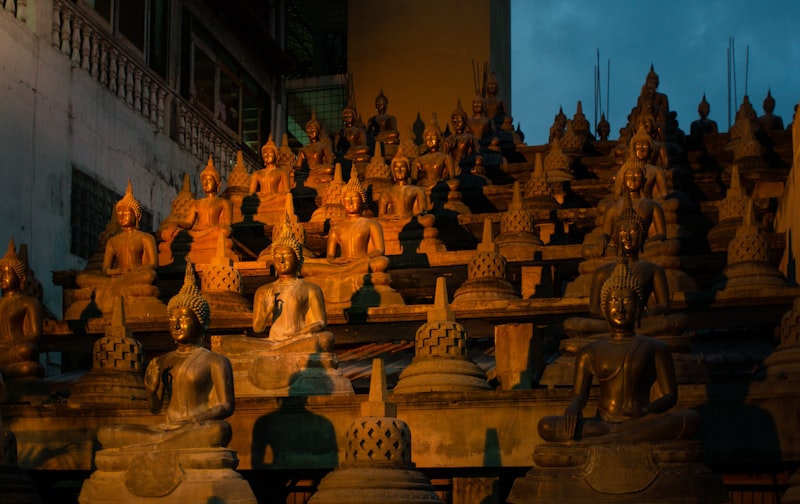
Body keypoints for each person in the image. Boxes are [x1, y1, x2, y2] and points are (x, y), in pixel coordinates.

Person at [538, 262, 699, 443]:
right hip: (603, 422)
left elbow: (670, 395)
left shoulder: (656, 347)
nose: (620, 308)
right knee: (546, 426)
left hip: (640, 420)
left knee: (690, 418)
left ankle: (613, 439)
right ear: (604, 308)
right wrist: (574, 407)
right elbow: (579, 395)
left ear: (639, 308)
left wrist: (646, 411)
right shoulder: (589, 351)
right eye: (614, 301)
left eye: (627, 301)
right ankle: (621, 436)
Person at [97, 262, 234, 450]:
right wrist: (151, 391)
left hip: (196, 427)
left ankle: (159, 445)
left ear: (202, 322)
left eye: (183, 319)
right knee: (107, 432)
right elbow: (155, 408)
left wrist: (194, 420)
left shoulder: (215, 360)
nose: (176, 325)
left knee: (220, 430)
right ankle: (164, 443)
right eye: (172, 319)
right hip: (166, 429)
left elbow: (226, 405)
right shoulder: (162, 361)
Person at [565, 203, 688, 337]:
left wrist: (643, 315)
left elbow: (663, 305)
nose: (628, 237)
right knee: (572, 324)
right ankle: (627, 333)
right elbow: (594, 309)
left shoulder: (654, 270)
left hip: (640, 321)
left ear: (642, 237)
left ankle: (618, 334)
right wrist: (614, 319)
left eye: (633, 233)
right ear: (615, 238)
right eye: (623, 232)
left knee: (678, 321)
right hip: (612, 322)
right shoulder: (602, 272)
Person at [76, 181, 159, 291]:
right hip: (117, 277)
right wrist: (117, 271)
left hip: (135, 275)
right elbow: (105, 269)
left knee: (150, 275)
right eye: (119, 213)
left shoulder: (145, 238)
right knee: (81, 279)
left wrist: (134, 271)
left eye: (126, 212)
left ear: (137, 216)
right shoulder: (112, 241)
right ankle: (116, 284)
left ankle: (116, 285)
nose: (122, 216)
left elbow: (153, 264)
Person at [302, 174, 390, 277]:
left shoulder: (372, 224)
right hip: (341, 264)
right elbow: (330, 256)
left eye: (355, 198)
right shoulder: (335, 228)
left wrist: (363, 259)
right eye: (347, 199)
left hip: (361, 263)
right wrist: (335, 260)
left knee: (382, 262)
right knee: (305, 267)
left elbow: (379, 250)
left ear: (363, 202)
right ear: (343, 202)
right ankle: (345, 272)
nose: (350, 202)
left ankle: (342, 274)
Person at [173, 157, 236, 264]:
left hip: (213, 232)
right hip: (198, 232)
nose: (205, 183)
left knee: (224, 233)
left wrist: (216, 229)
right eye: (203, 180)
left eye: (209, 180)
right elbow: (188, 223)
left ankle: (199, 245)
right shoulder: (196, 203)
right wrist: (177, 224)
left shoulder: (224, 202)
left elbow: (227, 225)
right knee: (172, 234)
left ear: (218, 184)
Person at [0, 238, 44, 380]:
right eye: (0, 273)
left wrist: (10, 345)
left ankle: (5, 373)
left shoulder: (29, 303)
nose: (2, 277)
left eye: (7, 273)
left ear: (22, 278)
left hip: (15, 350)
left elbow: (35, 335)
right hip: (3, 352)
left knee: (27, 351)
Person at [378, 147, 429, 220]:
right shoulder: (386, 192)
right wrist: (390, 217)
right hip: (394, 221)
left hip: (410, 220)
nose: (399, 170)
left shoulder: (417, 190)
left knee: (429, 219)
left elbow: (423, 212)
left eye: (402, 167)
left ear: (408, 170)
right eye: (396, 168)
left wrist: (413, 218)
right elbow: (381, 215)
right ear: (393, 171)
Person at [412, 116, 457, 192]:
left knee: (455, 183)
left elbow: (452, 178)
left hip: (439, 184)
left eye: (433, 136)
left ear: (439, 139)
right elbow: (414, 180)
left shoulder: (445, 157)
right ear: (424, 140)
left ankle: (431, 189)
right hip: (423, 186)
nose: (430, 140)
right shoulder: (419, 159)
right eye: (427, 137)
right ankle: (430, 189)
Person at [296, 112, 335, 188]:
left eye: (313, 130)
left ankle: (310, 176)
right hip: (307, 172)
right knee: (293, 173)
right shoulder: (302, 149)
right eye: (308, 131)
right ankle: (310, 176)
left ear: (318, 131)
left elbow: (330, 162)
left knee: (329, 169)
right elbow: (298, 167)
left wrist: (318, 168)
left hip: (319, 169)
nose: (310, 133)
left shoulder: (323, 146)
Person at [443, 99, 478, 166]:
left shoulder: (469, 138)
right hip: (452, 165)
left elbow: (476, 154)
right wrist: (448, 149)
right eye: (454, 121)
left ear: (464, 122)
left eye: (459, 121)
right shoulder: (449, 139)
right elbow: (443, 157)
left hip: (465, 163)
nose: (457, 124)